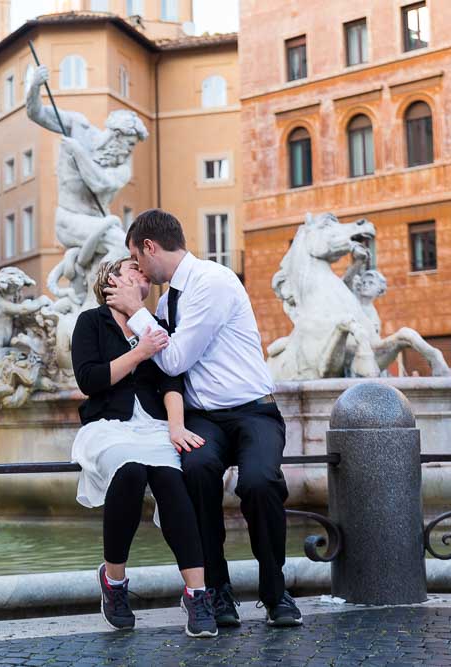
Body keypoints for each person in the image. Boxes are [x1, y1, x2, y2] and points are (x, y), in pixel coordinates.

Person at [104, 208, 302, 628]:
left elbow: (174, 360)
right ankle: (216, 592)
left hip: (253, 411)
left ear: (150, 247)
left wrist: (135, 310)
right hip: (205, 419)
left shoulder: (211, 282)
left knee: (260, 483)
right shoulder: (169, 297)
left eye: (137, 260)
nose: (138, 269)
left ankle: (275, 592)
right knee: (194, 472)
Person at [71, 258, 217, 638]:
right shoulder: (91, 322)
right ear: (111, 280)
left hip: (153, 426)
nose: (142, 273)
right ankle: (114, 581)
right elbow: (90, 380)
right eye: (131, 268)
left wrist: (176, 428)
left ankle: (197, 593)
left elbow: (172, 383)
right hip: (108, 426)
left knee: (172, 481)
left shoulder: (155, 323)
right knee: (131, 471)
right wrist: (140, 351)